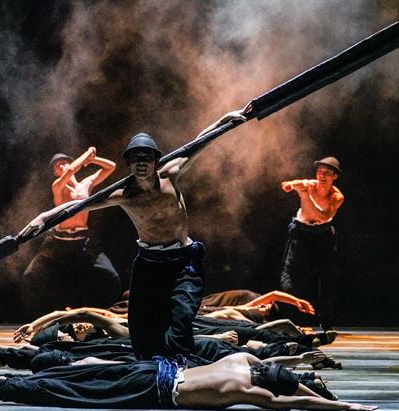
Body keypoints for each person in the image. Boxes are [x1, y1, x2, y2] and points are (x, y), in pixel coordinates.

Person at [20, 115, 240, 360]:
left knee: (180, 319)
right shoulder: (124, 194)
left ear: (156, 161)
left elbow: (200, 141)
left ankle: (181, 369)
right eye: (136, 159)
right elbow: (78, 206)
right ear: (130, 164)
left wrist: (225, 120)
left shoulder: (170, 173)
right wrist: (43, 217)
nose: (141, 164)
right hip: (149, 264)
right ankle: (151, 369)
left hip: (183, 261)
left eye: (146, 158)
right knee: (141, 332)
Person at [0, 352, 376, 411]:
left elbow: (276, 366)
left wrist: (298, 359)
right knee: (81, 394)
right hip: (154, 389)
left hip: (153, 369)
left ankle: (12, 376)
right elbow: (294, 400)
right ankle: (6, 386)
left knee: (89, 365)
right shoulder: (244, 392)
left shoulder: (241, 361)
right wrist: (342, 405)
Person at [22, 146, 121, 317]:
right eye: (57, 166)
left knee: (111, 276)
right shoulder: (58, 186)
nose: (61, 166)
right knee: (30, 275)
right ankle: (38, 317)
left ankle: (104, 316)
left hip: (82, 242)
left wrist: (93, 159)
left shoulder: (86, 185)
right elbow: (69, 171)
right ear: (55, 172)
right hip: (57, 244)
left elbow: (111, 167)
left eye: (64, 163)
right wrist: (86, 155)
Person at [280, 157, 345, 331]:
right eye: (320, 172)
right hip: (301, 232)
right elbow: (298, 183)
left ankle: (326, 321)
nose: (322, 176)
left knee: (326, 277)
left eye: (327, 173)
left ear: (334, 177)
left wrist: (305, 195)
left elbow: (323, 216)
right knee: (292, 275)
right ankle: (291, 320)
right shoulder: (310, 185)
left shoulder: (337, 196)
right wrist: (290, 185)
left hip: (323, 234)